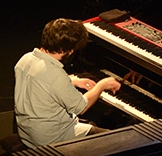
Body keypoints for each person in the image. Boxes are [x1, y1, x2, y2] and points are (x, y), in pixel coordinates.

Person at [14, 18, 122, 148]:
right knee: (116, 140)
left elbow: (42, 82)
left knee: (90, 124)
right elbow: (81, 107)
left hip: (28, 134)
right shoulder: (55, 74)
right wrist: (102, 85)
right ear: (69, 50)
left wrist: (73, 81)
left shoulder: (25, 59)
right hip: (52, 139)